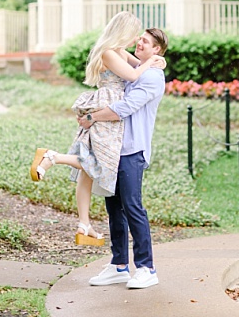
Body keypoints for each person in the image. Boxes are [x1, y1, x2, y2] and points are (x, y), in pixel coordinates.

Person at [29, 13, 165, 246]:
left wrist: (158, 61)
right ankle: (53, 157)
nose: (136, 40)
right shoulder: (109, 52)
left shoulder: (120, 52)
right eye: (135, 34)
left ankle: (84, 224)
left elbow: (142, 64)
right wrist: (151, 63)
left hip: (109, 108)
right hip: (108, 108)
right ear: (123, 31)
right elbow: (134, 74)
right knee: (101, 161)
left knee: (89, 172)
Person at [84, 26, 169, 291]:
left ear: (157, 49)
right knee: (114, 208)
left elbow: (126, 107)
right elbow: (118, 53)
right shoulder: (135, 70)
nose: (140, 43)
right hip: (114, 148)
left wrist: (92, 117)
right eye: (140, 40)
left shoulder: (153, 77)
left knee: (132, 207)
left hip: (133, 150)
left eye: (146, 42)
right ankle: (119, 265)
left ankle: (147, 267)